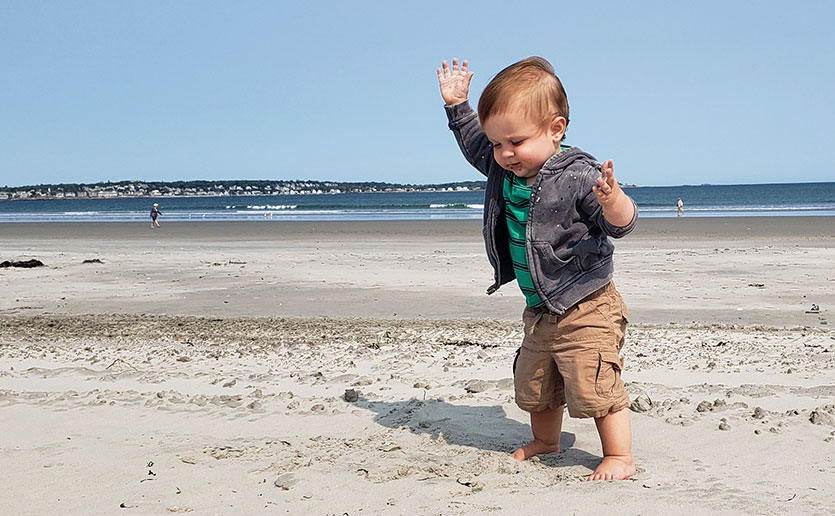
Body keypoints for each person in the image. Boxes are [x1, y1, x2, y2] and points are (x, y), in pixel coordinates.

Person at [437, 57, 639, 481]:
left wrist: (613, 200)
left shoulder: (580, 175)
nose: (505, 153)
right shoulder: (503, 165)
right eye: (498, 144)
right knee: (536, 385)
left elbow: (621, 225)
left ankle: (619, 456)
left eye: (515, 142)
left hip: (587, 304)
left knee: (594, 381)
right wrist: (458, 106)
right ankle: (547, 441)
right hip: (540, 307)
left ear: (556, 129)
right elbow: (475, 140)